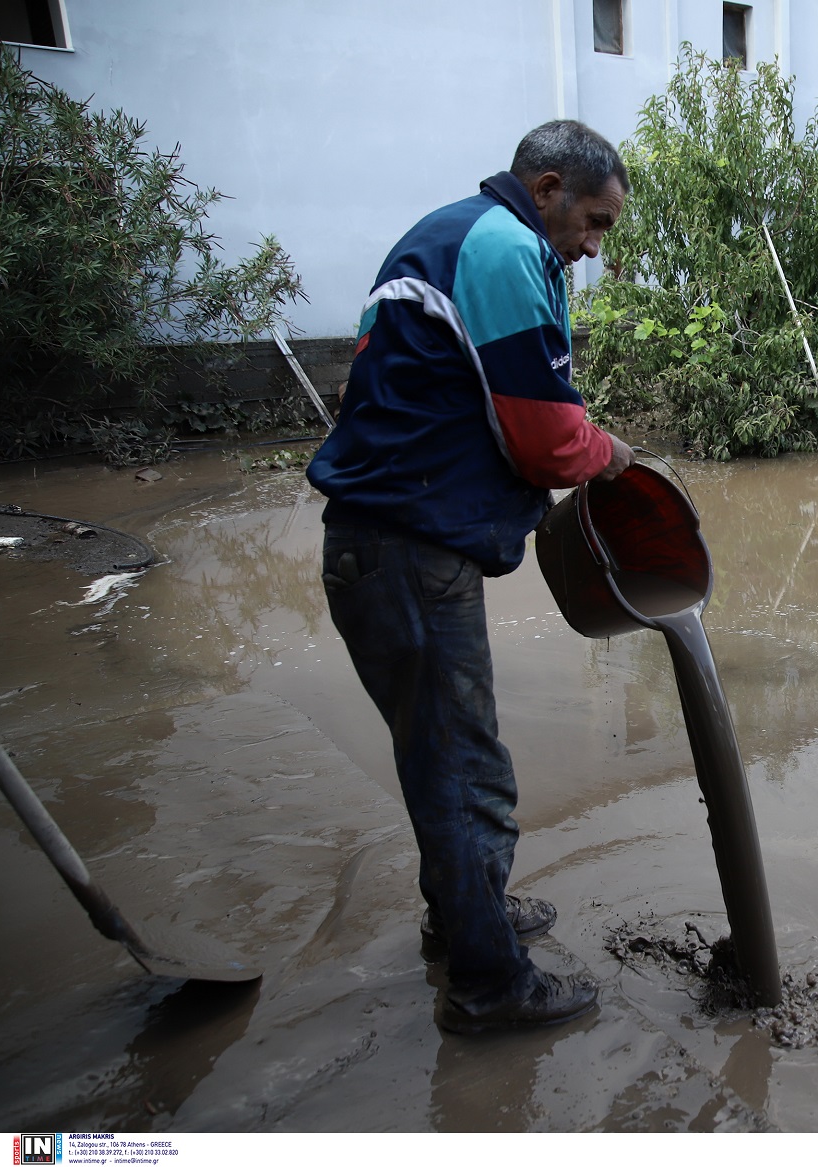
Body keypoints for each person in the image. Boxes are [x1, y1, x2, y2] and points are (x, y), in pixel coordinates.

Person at [306, 120, 634, 1034]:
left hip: (384, 547)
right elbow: (542, 433)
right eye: (593, 222)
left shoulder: (452, 232)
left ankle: (462, 918)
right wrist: (609, 454)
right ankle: (491, 983)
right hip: (407, 551)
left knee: (444, 755)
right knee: (466, 769)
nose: (592, 246)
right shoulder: (502, 245)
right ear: (548, 189)